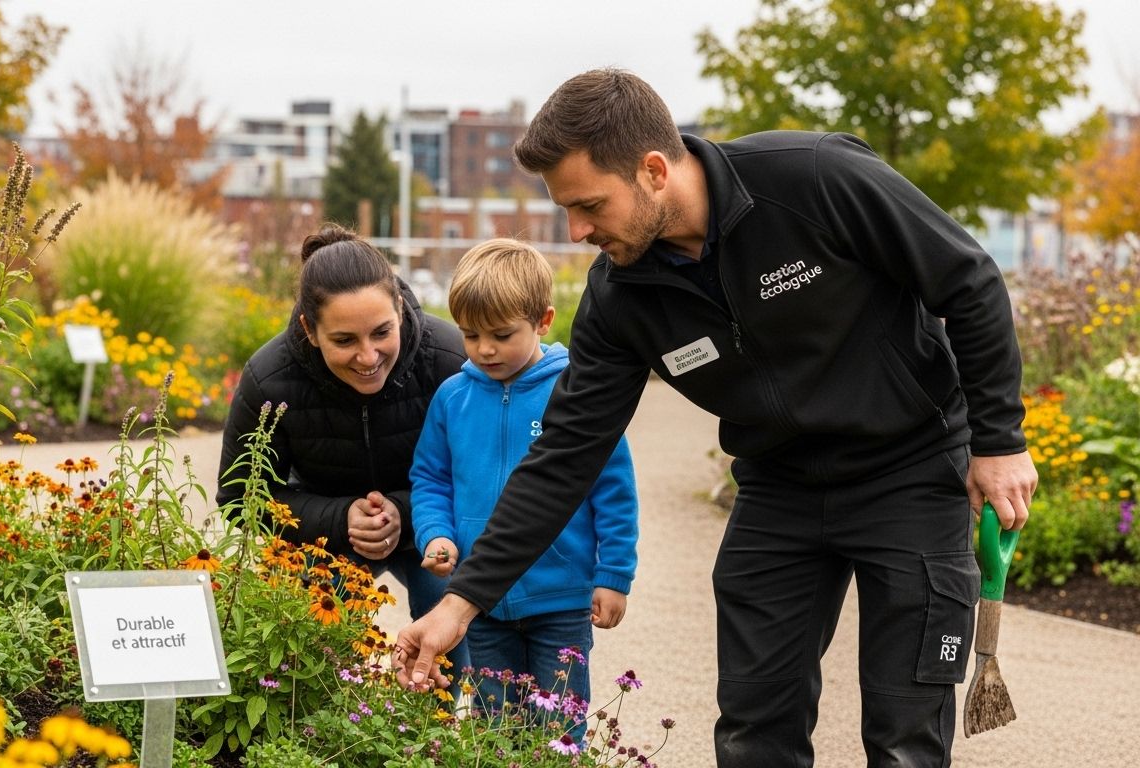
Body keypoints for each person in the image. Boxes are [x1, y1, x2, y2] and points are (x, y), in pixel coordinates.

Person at [394, 68, 1037, 767]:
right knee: (753, 733)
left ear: (653, 170)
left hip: (910, 471)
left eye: (589, 205)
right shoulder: (621, 297)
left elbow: (968, 279)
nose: (577, 231)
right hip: (778, 489)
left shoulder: (815, 179)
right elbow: (565, 455)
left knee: (905, 735)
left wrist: (998, 441)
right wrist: (461, 605)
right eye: (567, 211)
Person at [408, 239, 638, 736]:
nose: (485, 349)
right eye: (470, 335)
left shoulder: (575, 393)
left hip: (561, 600)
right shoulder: (453, 398)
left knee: (559, 726)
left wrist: (614, 574)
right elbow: (430, 478)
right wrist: (436, 535)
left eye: (501, 334)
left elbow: (614, 489)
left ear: (543, 320)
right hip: (482, 603)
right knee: (496, 726)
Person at [218, 224, 469, 670]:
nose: (368, 356)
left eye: (380, 332)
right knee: (305, 651)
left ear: (398, 307)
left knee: (453, 632)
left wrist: (404, 511)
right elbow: (241, 497)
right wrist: (342, 518)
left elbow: (485, 475)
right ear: (309, 331)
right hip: (328, 534)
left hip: (436, 525)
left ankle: (443, 730)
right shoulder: (269, 378)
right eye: (344, 340)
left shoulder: (450, 359)